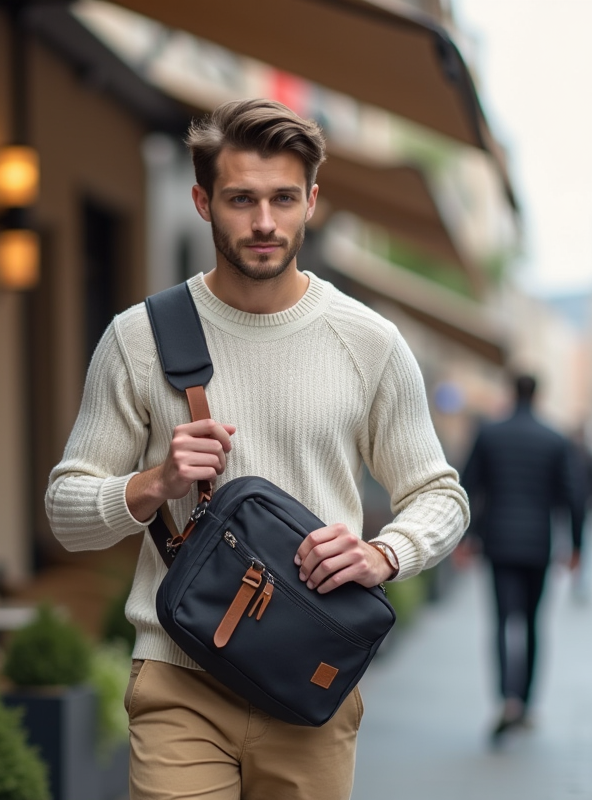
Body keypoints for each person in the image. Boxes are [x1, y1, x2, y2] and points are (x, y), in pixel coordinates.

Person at [45, 98, 469, 800]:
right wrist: (154, 483)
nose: (265, 222)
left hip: (311, 681)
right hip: (180, 677)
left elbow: (440, 495)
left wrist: (385, 554)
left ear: (312, 203)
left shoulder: (369, 342)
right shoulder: (138, 338)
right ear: (203, 202)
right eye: (241, 199)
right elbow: (66, 510)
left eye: (283, 199)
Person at [460, 374, 584, 742]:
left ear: (511, 392)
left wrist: (465, 537)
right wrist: (577, 545)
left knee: (501, 621)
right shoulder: (555, 438)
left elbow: (468, 486)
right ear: (539, 395)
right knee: (532, 623)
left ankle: (506, 699)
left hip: (498, 542)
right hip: (538, 544)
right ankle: (526, 703)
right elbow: (574, 496)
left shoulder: (490, 433)